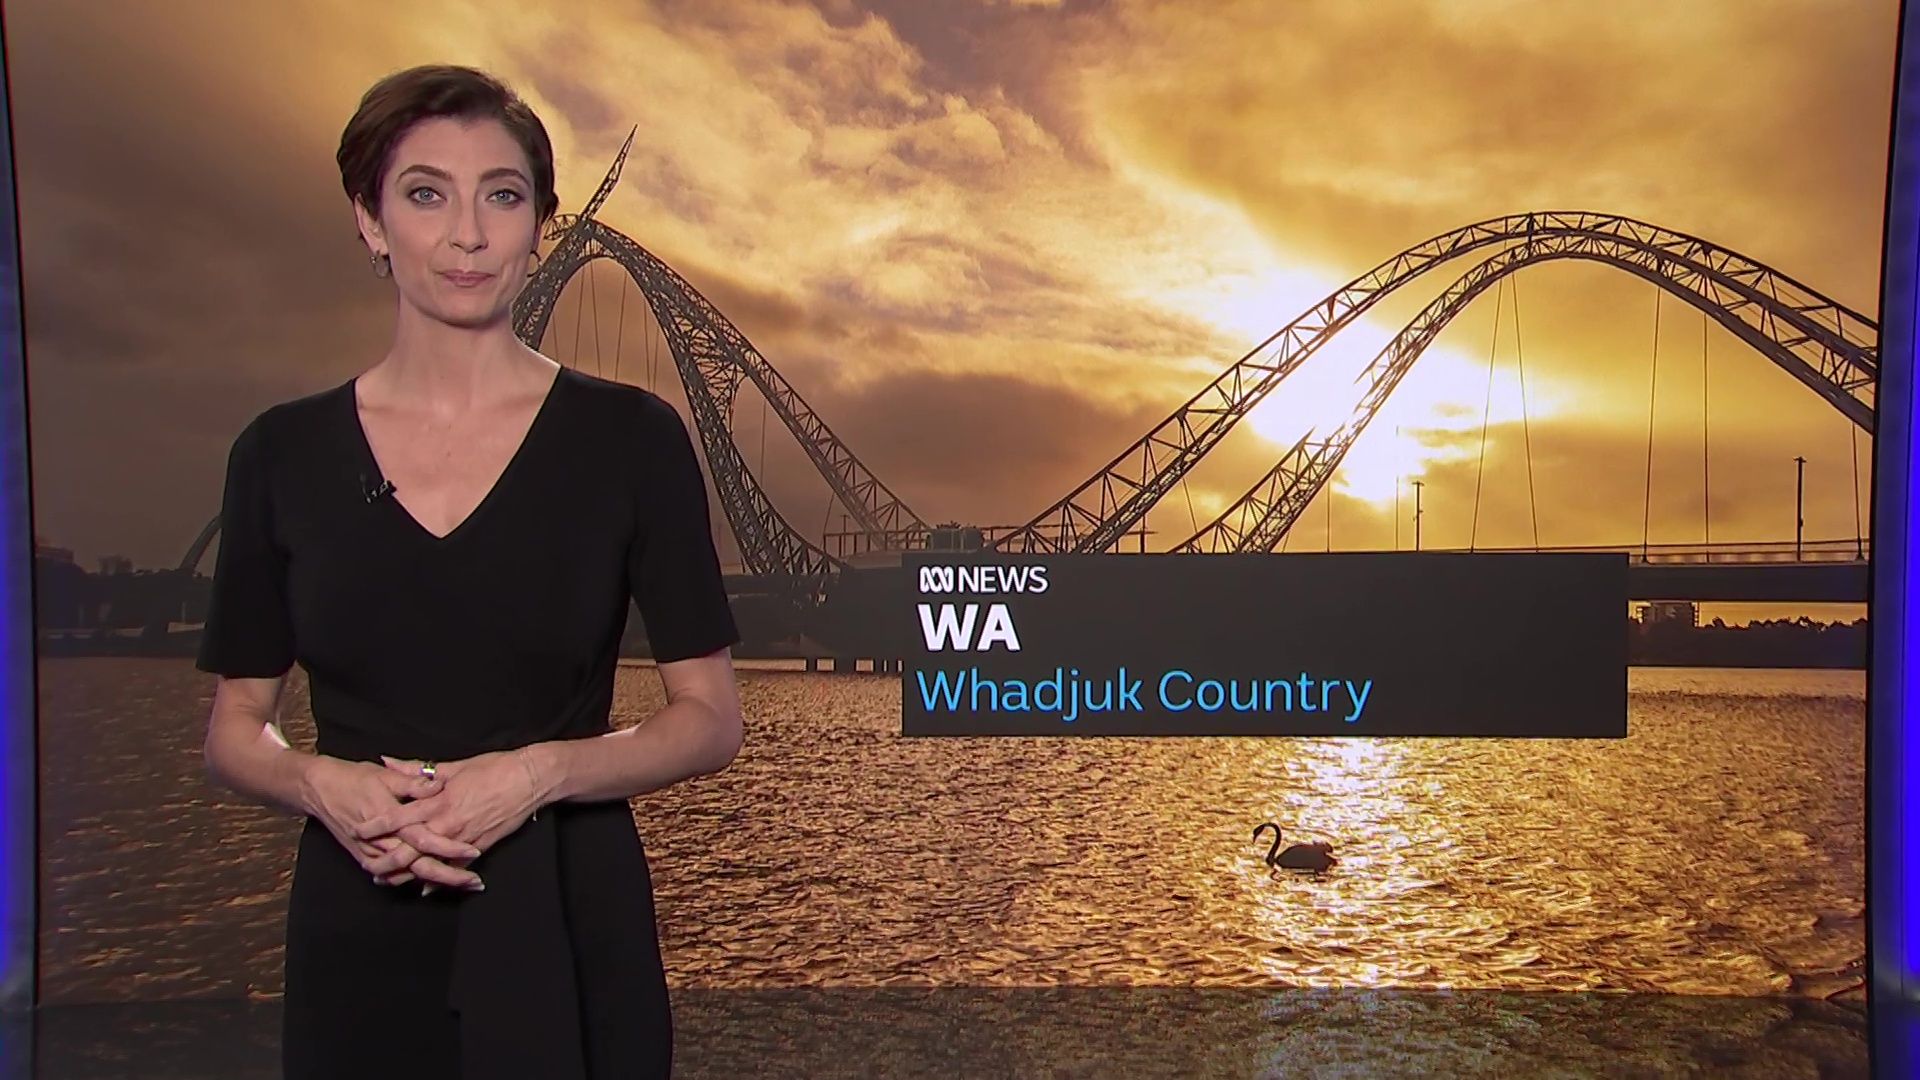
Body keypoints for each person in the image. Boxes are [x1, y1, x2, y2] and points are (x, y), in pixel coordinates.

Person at [197, 64, 744, 1080]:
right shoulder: (278, 455)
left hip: (567, 920)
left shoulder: (632, 440)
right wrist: (320, 784)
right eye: (425, 194)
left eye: (501, 195)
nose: (467, 234)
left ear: (539, 226)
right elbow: (236, 730)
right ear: (370, 221)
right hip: (359, 915)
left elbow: (710, 720)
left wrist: (537, 776)